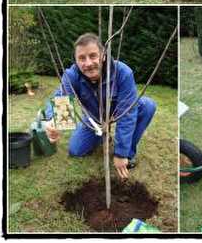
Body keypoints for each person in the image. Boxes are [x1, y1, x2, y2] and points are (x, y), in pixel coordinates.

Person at [44, 33, 156, 180]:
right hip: (94, 118)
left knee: (147, 106)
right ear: (76, 61)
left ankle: (129, 153)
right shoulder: (71, 76)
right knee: (76, 150)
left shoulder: (122, 72)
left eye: (93, 56)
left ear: (103, 55)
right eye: (82, 58)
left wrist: (121, 153)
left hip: (119, 111)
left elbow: (127, 115)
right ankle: (102, 135)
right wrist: (53, 120)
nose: (88, 63)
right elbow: (61, 99)